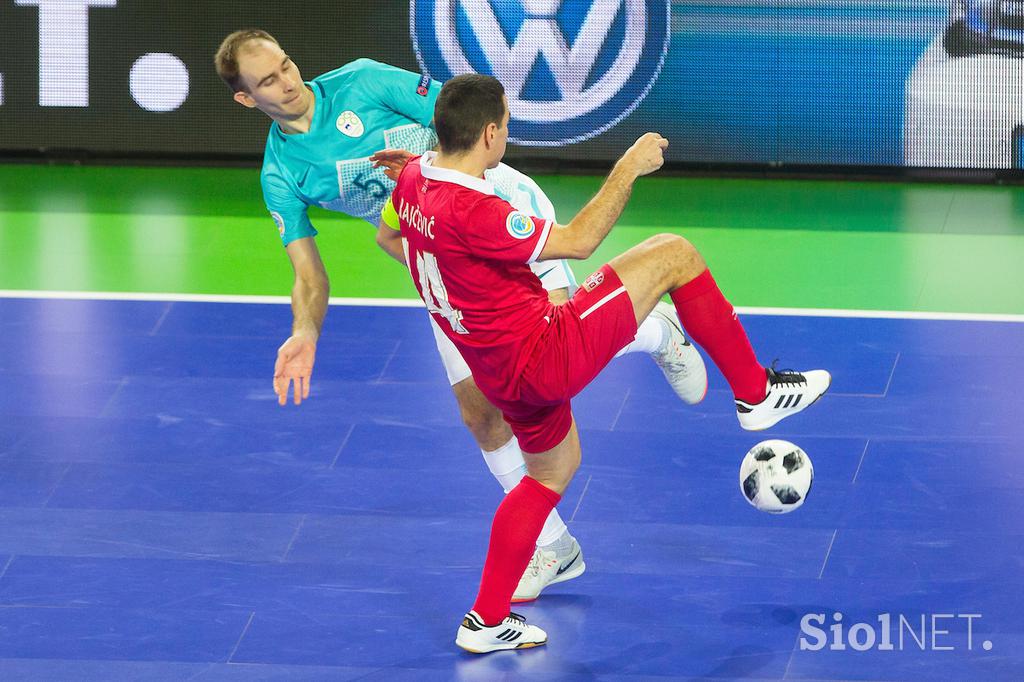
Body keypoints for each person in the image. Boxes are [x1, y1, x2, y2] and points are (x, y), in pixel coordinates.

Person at [213, 30, 708, 601]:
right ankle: (554, 547)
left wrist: (425, 171)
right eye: (268, 80)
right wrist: (304, 329)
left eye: (286, 63)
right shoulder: (280, 174)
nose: (289, 82)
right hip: (435, 259)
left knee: (556, 334)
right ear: (246, 99)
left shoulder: (363, 80)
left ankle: (649, 329)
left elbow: (465, 125)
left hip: (492, 209)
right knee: (482, 415)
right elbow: (309, 275)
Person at [387, 74, 831, 653]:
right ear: (490, 133)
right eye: (507, 124)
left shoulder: (414, 180)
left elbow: (416, 191)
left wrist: (414, 170)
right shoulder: (474, 207)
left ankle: (487, 619)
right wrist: (629, 164)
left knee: (548, 474)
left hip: (498, 372)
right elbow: (578, 241)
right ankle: (754, 393)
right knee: (674, 254)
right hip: (546, 350)